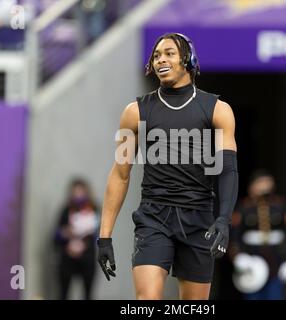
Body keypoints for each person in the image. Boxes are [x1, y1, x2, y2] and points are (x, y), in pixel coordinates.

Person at [96, 33, 238, 300]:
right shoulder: (135, 112)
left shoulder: (218, 110)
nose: (161, 59)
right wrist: (105, 236)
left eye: (169, 53)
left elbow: (227, 170)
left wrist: (223, 220)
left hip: (199, 220)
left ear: (188, 59)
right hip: (153, 218)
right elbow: (120, 174)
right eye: (157, 55)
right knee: (147, 301)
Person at [230, 170, 286, 300]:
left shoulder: (281, 205)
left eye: (267, 182)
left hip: (276, 260)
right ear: (251, 187)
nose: (264, 186)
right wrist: (237, 256)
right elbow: (234, 235)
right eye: (260, 182)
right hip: (252, 260)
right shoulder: (243, 208)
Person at [55, 178, 100, 300]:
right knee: (63, 294)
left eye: (81, 191)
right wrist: (66, 233)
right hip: (68, 259)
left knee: (88, 295)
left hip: (87, 259)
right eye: (75, 192)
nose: (78, 195)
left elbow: (98, 235)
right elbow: (56, 236)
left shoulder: (94, 209)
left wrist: (86, 239)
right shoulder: (65, 211)